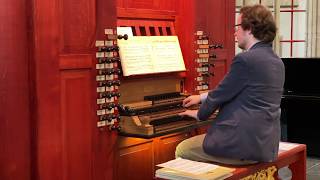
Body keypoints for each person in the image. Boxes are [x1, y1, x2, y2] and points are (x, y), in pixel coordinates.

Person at [176, 4, 285, 165]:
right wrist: (200, 97)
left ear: (249, 29)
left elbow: (220, 95)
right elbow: (233, 89)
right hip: (265, 144)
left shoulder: (246, 60)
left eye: (238, 27)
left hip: (242, 144)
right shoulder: (276, 61)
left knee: (183, 149)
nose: (235, 32)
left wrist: (199, 114)